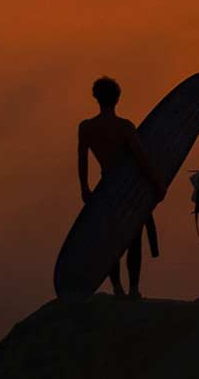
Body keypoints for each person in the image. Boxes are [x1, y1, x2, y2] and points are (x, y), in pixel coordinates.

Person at [74, 76, 165, 297]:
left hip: (105, 188)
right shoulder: (125, 127)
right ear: (117, 99)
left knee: (111, 239)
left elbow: (82, 159)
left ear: (96, 98)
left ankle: (116, 287)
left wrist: (85, 188)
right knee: (133, 239)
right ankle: (134, 288)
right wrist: (157, 184)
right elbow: (142, 159)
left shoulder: (87, 128)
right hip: (128, 189)